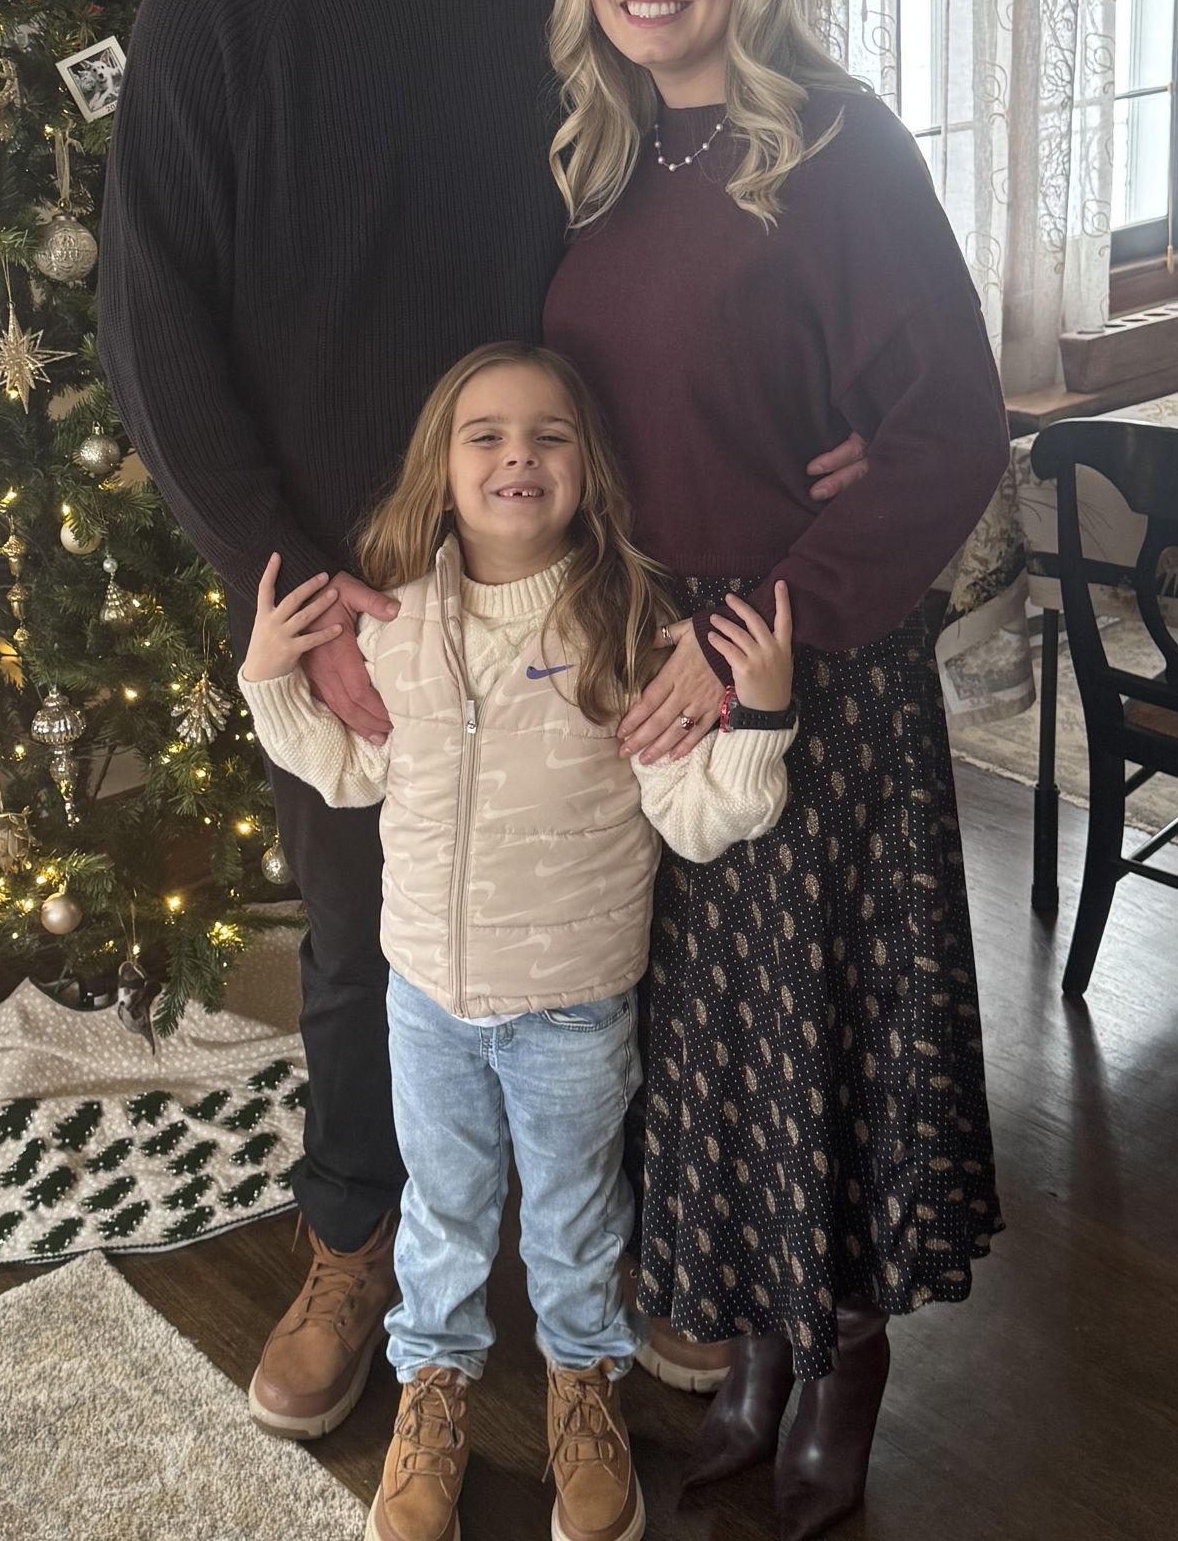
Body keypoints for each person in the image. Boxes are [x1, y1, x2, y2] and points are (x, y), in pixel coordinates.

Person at [99, 0, 867, 1437]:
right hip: (354, 596)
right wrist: (295, 595)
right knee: (365, 943)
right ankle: (354, 1246)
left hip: (594, 566)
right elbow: (153, 326)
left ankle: (633, 1256)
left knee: (625, 917)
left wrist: (833, 392)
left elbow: (738, 161)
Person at [541, 0, 1009, 1541]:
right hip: (643, 651)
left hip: (801, 661)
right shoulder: (597, 157)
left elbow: (950, 429)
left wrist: (775, 617)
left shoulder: (839, 146)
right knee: (700, 1036)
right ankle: (748, 1340)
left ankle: (843, 1362)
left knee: (825, 1027)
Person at [236, 342, 798, 1541]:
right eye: (484, 434)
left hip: (574, 1007)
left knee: (575, 1217)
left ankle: (581, 1387)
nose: (516, 455)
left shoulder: (629, 624)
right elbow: (345, 769)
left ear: (587, 467)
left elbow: (698, 817)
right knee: (441, 1212)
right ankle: (431, 1390)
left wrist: (760, 716)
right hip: (424, 1000)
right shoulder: (392, 619)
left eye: (549, 434)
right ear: (440, 470)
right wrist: (269, 679)